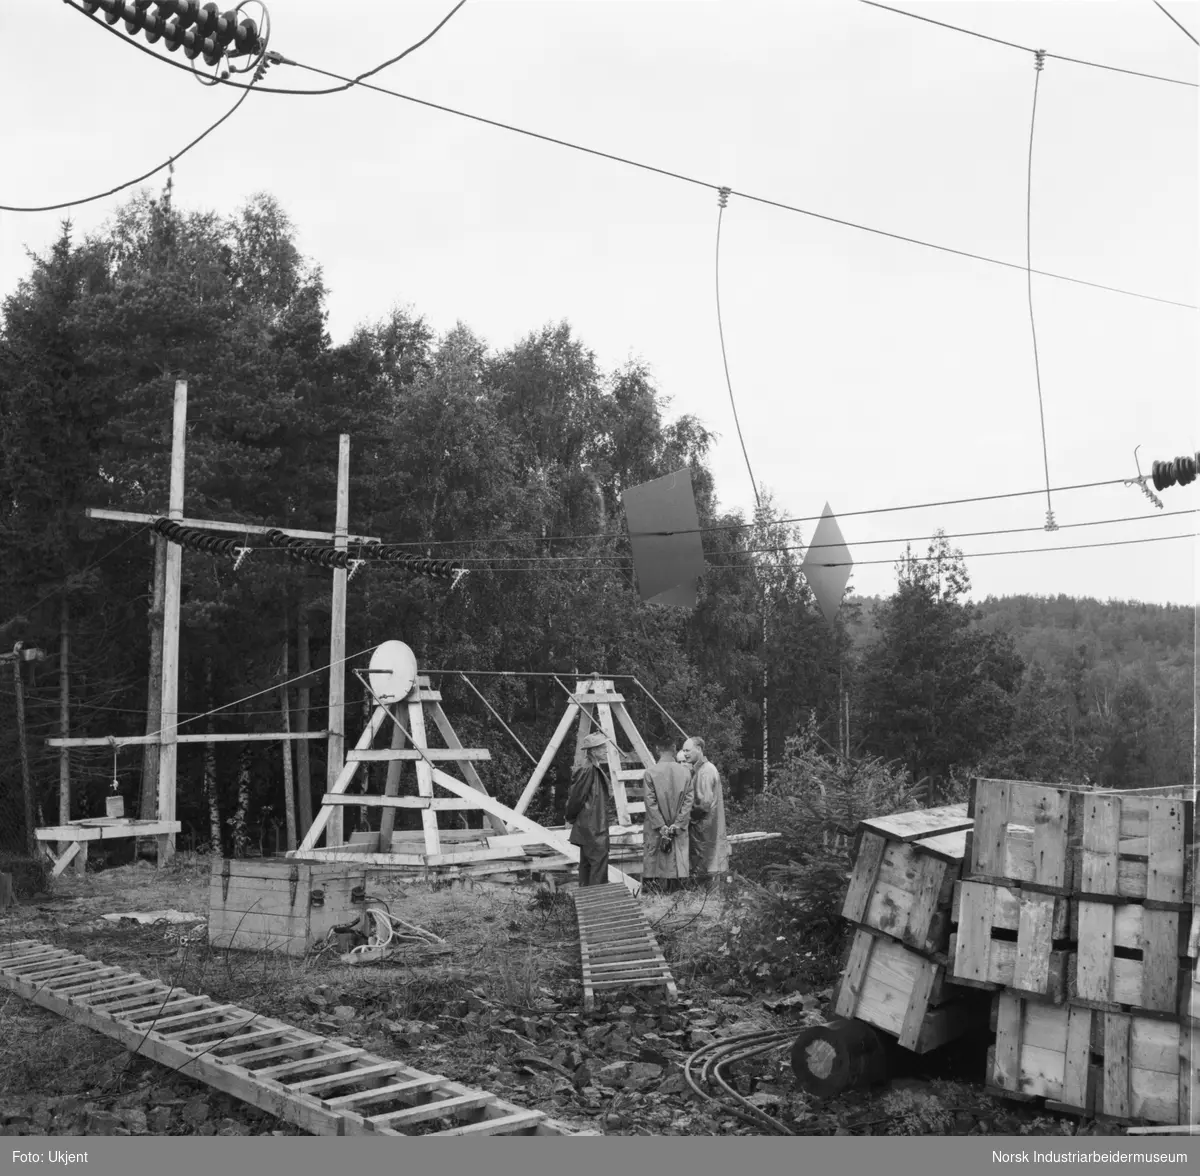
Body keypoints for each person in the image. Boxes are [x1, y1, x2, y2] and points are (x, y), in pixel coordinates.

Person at [642, 735, 694, 890]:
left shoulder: (650, 773)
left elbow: (650, 803)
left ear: (658, 750)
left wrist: (661, 826)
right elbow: (688, 802)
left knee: (654, 861)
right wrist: (678, 824)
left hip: (656, 829)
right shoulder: (685, 773)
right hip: (678, 829)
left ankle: (654, 896)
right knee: (677, 863)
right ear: (674, 749)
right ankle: (678, 896)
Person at [565, 731, 614, 887]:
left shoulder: (592, 767)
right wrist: (572, 817)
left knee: (588, 868)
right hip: (592, 829)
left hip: (592, 827)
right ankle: (597, 906)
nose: (605, 750)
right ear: (592, 751)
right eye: (602, 748)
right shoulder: (587, 769)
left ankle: (587, 905)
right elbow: (576, 797)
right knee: (597, 870)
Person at [682, 736, 728, 885]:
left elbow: (704, 804)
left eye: (688, 750)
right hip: (705, 829)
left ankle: (705, 898)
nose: (685, 754)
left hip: (705, 829)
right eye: (683, 751)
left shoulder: (706, 771)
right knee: (706, 865)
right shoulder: (700, 769)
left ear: (699, 749)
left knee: (706, 867)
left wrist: (687, 818)